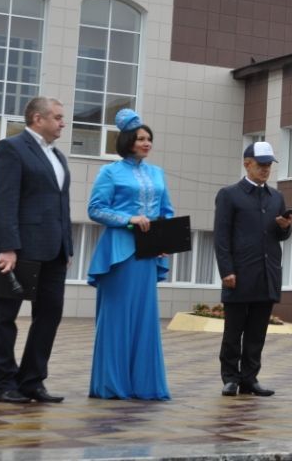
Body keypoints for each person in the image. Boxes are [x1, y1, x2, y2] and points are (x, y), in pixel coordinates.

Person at [0, 97, 72, 404]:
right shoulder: (11, 148)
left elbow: (62, 206)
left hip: (54, 251)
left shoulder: (58, 156)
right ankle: (5, 383)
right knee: (4, 317)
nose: (63, 122)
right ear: (38, 119)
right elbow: (2, 200)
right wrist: (8, 247)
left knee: (49, 315)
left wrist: (68, 246)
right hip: (19, 250)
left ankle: (32, 381)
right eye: (58, 117)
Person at [86, 109, 174, 400]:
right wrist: (129, 219)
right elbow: (95, 209)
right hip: (120, 254)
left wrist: (164, 241)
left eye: (149, 138)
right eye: (140, 139)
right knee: (118, 318)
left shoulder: (158, 173)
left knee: (145, 319)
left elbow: (166, 213)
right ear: (127, 141)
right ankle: (112, 385)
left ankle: (143, 385)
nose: (146, 143)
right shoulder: (110, 171)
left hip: (148, 255)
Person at [215, 141, 292, 397]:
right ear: (247, 163)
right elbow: (221, 237)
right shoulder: (229, 195)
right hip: (238, 274)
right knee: (233, 330)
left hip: (266, 274)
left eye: (269, 165)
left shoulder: (276, 197)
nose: (266, 169)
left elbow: (281, 236)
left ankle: (250, 378)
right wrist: (226, 270)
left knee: (257, 332)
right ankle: (230, 378)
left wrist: (283, 226)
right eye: (261, 165)